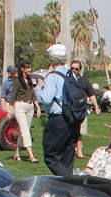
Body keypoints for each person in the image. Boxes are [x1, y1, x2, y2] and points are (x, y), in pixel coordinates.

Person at [37, 43, 80, 177]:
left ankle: (71, 181)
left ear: (51, 60)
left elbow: (46, 98)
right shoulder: (72, 75)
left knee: (51, 157)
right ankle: (67, 189)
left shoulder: (52, 76)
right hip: (73, 119)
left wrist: (38, 88)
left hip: (58, 119)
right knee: (67, 157)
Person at [69, 60, 100, 160]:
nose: (74, 70)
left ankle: (79, 152)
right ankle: (69, 151)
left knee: (79, 132)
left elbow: (91, 94)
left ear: (80, 69)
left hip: (81, 110)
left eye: (76, 69)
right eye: (72, 68)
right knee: (69, 131)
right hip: (69, 110)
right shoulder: (67, 80)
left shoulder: (84, 81)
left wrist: (96, 106)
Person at [10, 61, 40, 163]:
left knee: (23, 131)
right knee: (25, 131)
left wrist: (37, 106)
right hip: (20, 106)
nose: (29, 70)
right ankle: (31, 155)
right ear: (22, 69)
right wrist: (10, 111)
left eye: (30, 68)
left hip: (30, 106)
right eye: (27, 68)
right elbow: (13, 96)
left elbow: (33, 94)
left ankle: (17, 153)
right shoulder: (17, 81)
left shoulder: (30, 80)